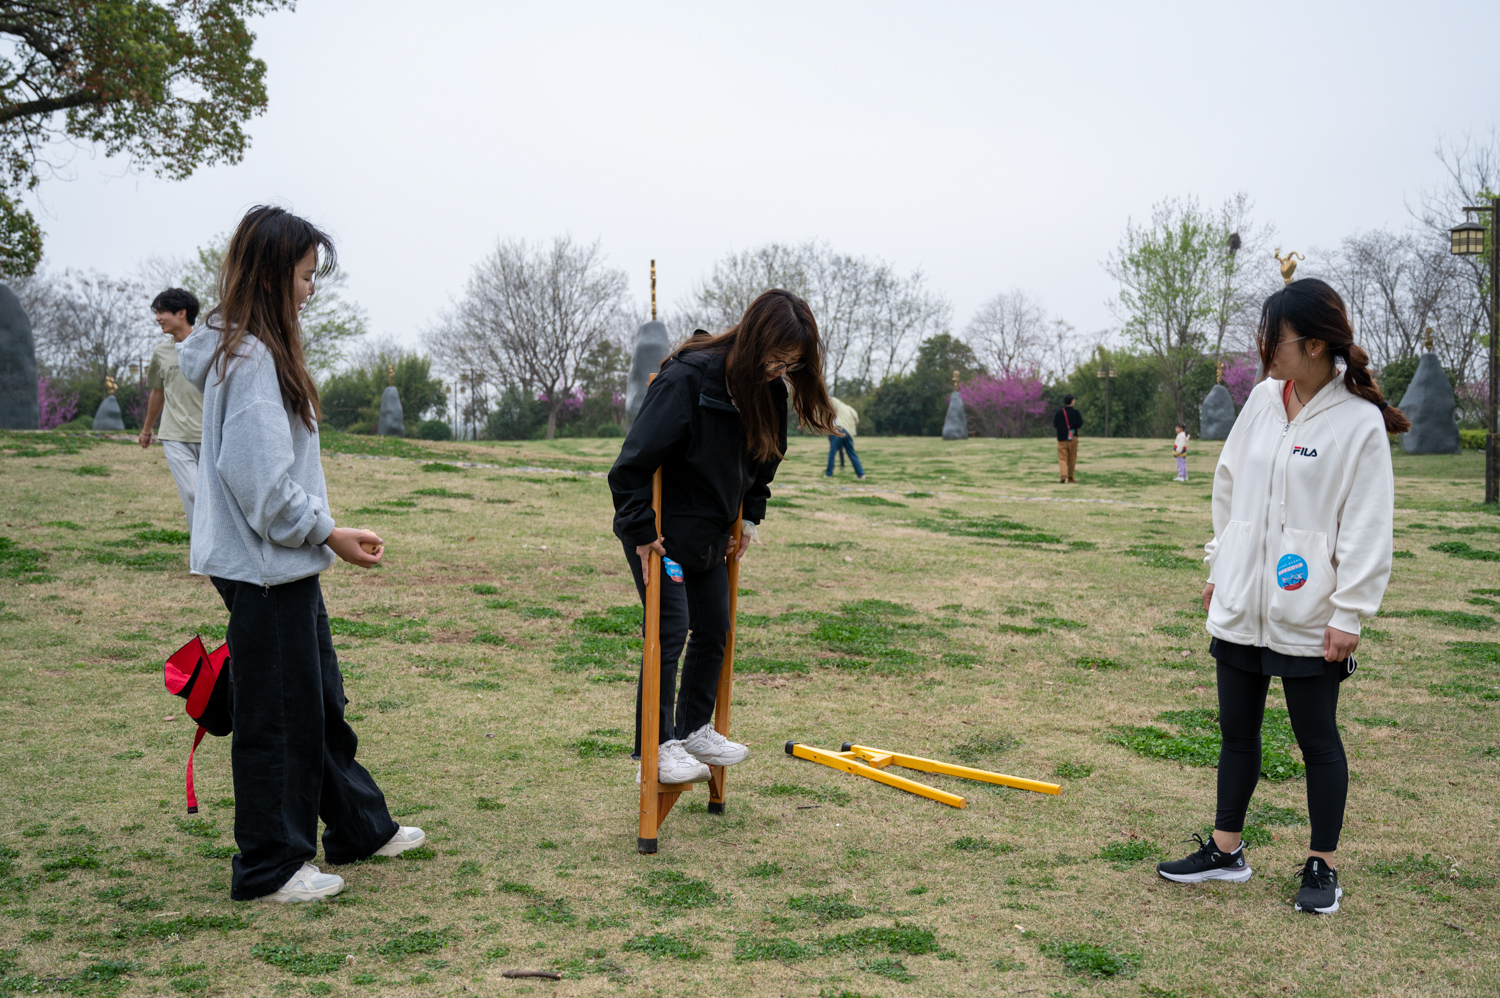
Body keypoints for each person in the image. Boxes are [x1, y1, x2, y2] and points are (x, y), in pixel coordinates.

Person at [176, 206, 425, 903]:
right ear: (272, 274)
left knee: (314, 700)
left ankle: (357, 825)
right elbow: (259, 482)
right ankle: (270, 866)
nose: (312, 288)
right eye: (306, 275)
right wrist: (328, 531)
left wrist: (319, 534)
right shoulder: (251, 357)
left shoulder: (244, 348)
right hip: (265, 564)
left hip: (277, 562)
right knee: (278, 714)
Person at [1155, 278, 1409, 916]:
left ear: (1317, 345)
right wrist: (1223, 560)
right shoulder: (1264, 400)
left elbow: (1369, 522)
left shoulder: (1357, 422)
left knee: (1316, 740)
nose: (1265, 349)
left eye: (1277, 339)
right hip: (1244, 603)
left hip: (1309, 613)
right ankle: (1225, 850)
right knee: (1236, 734)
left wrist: (1348, 612)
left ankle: (1322, 864)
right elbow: (1230, 483)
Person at [609, 289, 837, 784]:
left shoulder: (769, 391)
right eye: (775, 360)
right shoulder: (687, 378)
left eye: (790, 366)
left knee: (714, 628)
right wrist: (641, 532)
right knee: (669, 632)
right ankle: (657, 746)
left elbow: (765, 461)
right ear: (754, 338)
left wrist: (750, 517)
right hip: (659, 534)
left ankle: (693, 730)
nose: (779, 372)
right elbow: (630, 466)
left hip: (710, 535)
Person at [140, 288, 205, 528]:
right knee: (193, 493)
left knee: (209, 497)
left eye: (161, 312)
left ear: (181, 313)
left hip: (209, 434)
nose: (157, 318)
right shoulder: (161, 352)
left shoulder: (208, 347)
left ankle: (207, 556)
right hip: (174, 434)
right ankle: (201, 553)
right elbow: (158, 392)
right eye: (156, 312)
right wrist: (147, 430)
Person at [825, 396, 864, 479]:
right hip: (849, 432)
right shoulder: (852, 411)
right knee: (851, 453)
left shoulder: (840, 405)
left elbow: (831, 400)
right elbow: (857, 420)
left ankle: (828, 474)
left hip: (839, 429)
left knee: (832, 452)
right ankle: (861, 474)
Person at [1052, 393, 1082, 483]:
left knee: (1062, 458)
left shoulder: (1059, 413)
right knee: (1072, 458)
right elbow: (1080, 424)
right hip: (1073, 437)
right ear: (1072, 401)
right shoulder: (1076, 413)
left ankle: (1063, 475)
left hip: (1061, 438)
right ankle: (1070, 477)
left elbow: (1055, 424)